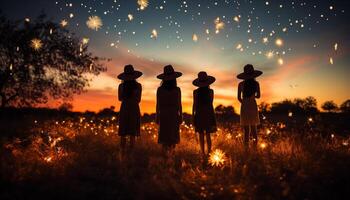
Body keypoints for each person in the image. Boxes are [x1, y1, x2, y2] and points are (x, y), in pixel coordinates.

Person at [156, 65, 182, 153]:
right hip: (173, 114)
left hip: (164, 114)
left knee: (165, 136)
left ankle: (166, 156)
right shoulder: (177, 89)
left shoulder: (160, 89)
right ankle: (171, 155)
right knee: (172, 136)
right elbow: (179, 104)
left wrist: (157, 115)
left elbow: (158, 104)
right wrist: (180, 115)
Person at [117, 64, 142, 155]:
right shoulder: (138, 86)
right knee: (132, 133)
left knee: (123, 133)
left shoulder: (121, 86)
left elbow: (120, 98)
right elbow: (138, 99)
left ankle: (122, 153)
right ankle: (132, 153)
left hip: (124, 108)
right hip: (134, 108)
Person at [237, 64, 262, 150]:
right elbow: (258, 96)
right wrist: (252, 98)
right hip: (252, 105)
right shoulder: (256, 83)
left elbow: (238, 98)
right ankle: (254, 149)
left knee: (246, 130)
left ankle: (246, 149)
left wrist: (244, 102)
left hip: (245, 106)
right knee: (254, 129)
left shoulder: (241, 84)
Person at [192, 71, 217, 158]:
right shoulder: (211, 91)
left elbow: (194, 105)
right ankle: (208, 152)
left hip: (200, 113)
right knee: (207, 134)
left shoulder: (196, 92)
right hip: (208, 113)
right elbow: (211, 103)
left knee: (201, 134)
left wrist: (193, 116)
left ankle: (203, 152)